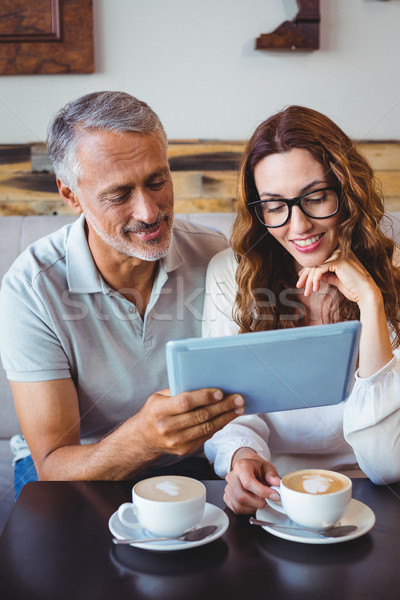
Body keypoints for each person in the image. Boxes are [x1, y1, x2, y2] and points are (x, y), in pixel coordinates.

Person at [0, 91, 245, 497]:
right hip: (75, 465)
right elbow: (52, 463)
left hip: (189, 458)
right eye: (118, 195)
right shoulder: (31, 287)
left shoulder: (213, 253)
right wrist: (142, 440)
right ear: (70, 195)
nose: (149, 213)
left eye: (157, 181)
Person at [202, 105, 400, 514]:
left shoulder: (394, 272)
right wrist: (241, 457)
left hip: (374, 491)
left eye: (315, 197)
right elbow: (227, 409)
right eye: (275, 206)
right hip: (276, 491)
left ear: (347, 191)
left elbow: (387, 462)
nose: (298, 227)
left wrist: (371, 303)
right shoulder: (230, 274)